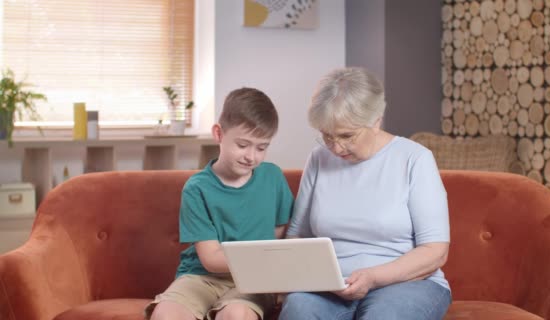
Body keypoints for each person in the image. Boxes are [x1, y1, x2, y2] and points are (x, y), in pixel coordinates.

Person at [279, 67, 451, 320]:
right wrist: (321, 278)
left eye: (347, 136)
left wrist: (372, 277)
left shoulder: (415, 159)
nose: (336, 148)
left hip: (405, 284)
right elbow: (297, 236)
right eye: (327, 136)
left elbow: (436, 251)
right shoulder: (319, 158)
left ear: (376, 120)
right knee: (298, 311)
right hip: (329, 287)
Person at [146, 87, 294, 320]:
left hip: (253, 281)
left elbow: (279, 232)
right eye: (243, 145)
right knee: (166, 315)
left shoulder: (273, 177)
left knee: (237, 314)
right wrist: (263, 256)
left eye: (262, 148)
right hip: (201, 277)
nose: (251, 156)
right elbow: (212, 259)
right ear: (219, 133)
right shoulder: (197, 189)